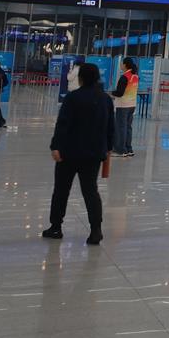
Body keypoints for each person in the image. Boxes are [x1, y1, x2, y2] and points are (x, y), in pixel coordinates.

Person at [43, 62, 114, 245]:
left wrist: (55, 146)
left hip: (69, 152)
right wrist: (108, 148)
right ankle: (96, 230)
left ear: (80, 78)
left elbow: (63, 124)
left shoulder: (72, 98)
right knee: (91, 191)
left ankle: (56, 227)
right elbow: (110, 127)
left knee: (61, 190)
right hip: (93, 154)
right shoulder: (105, 99)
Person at [110, 57, 138, 158]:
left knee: (121, 127)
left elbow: (119, 93)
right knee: (128, 127)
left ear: (125, 65)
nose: (121, 65)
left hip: (123, 105)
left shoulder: (124, 77)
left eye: (122, 63)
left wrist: (111, 93)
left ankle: (121, 150)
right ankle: (128, 149)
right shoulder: (135, 76)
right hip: (132, 105)